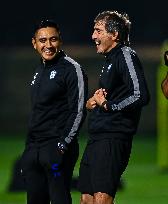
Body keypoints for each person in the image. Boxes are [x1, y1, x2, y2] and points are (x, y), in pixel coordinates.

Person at [78, 10, 150, 204]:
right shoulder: (110, 60)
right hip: (97, 138)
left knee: (102, 199)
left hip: (112, 139)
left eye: (98, 30)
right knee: (86, 199)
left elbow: (140, 95)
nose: (93, 36)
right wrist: (94, 102)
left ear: (114, 34)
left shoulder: (126, 55)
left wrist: (109, 105)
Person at [20, 19, 88, 204]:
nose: (48, 45)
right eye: (43, 41)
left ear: (60, 40)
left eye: (53, 39)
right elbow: (37, 112)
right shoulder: (39, 70)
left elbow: (78, 110)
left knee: (59, 199)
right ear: (34, 43)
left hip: (57, 149)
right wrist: (28, 152)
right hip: (34, 150)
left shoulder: (71, 69)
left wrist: (63, 145)